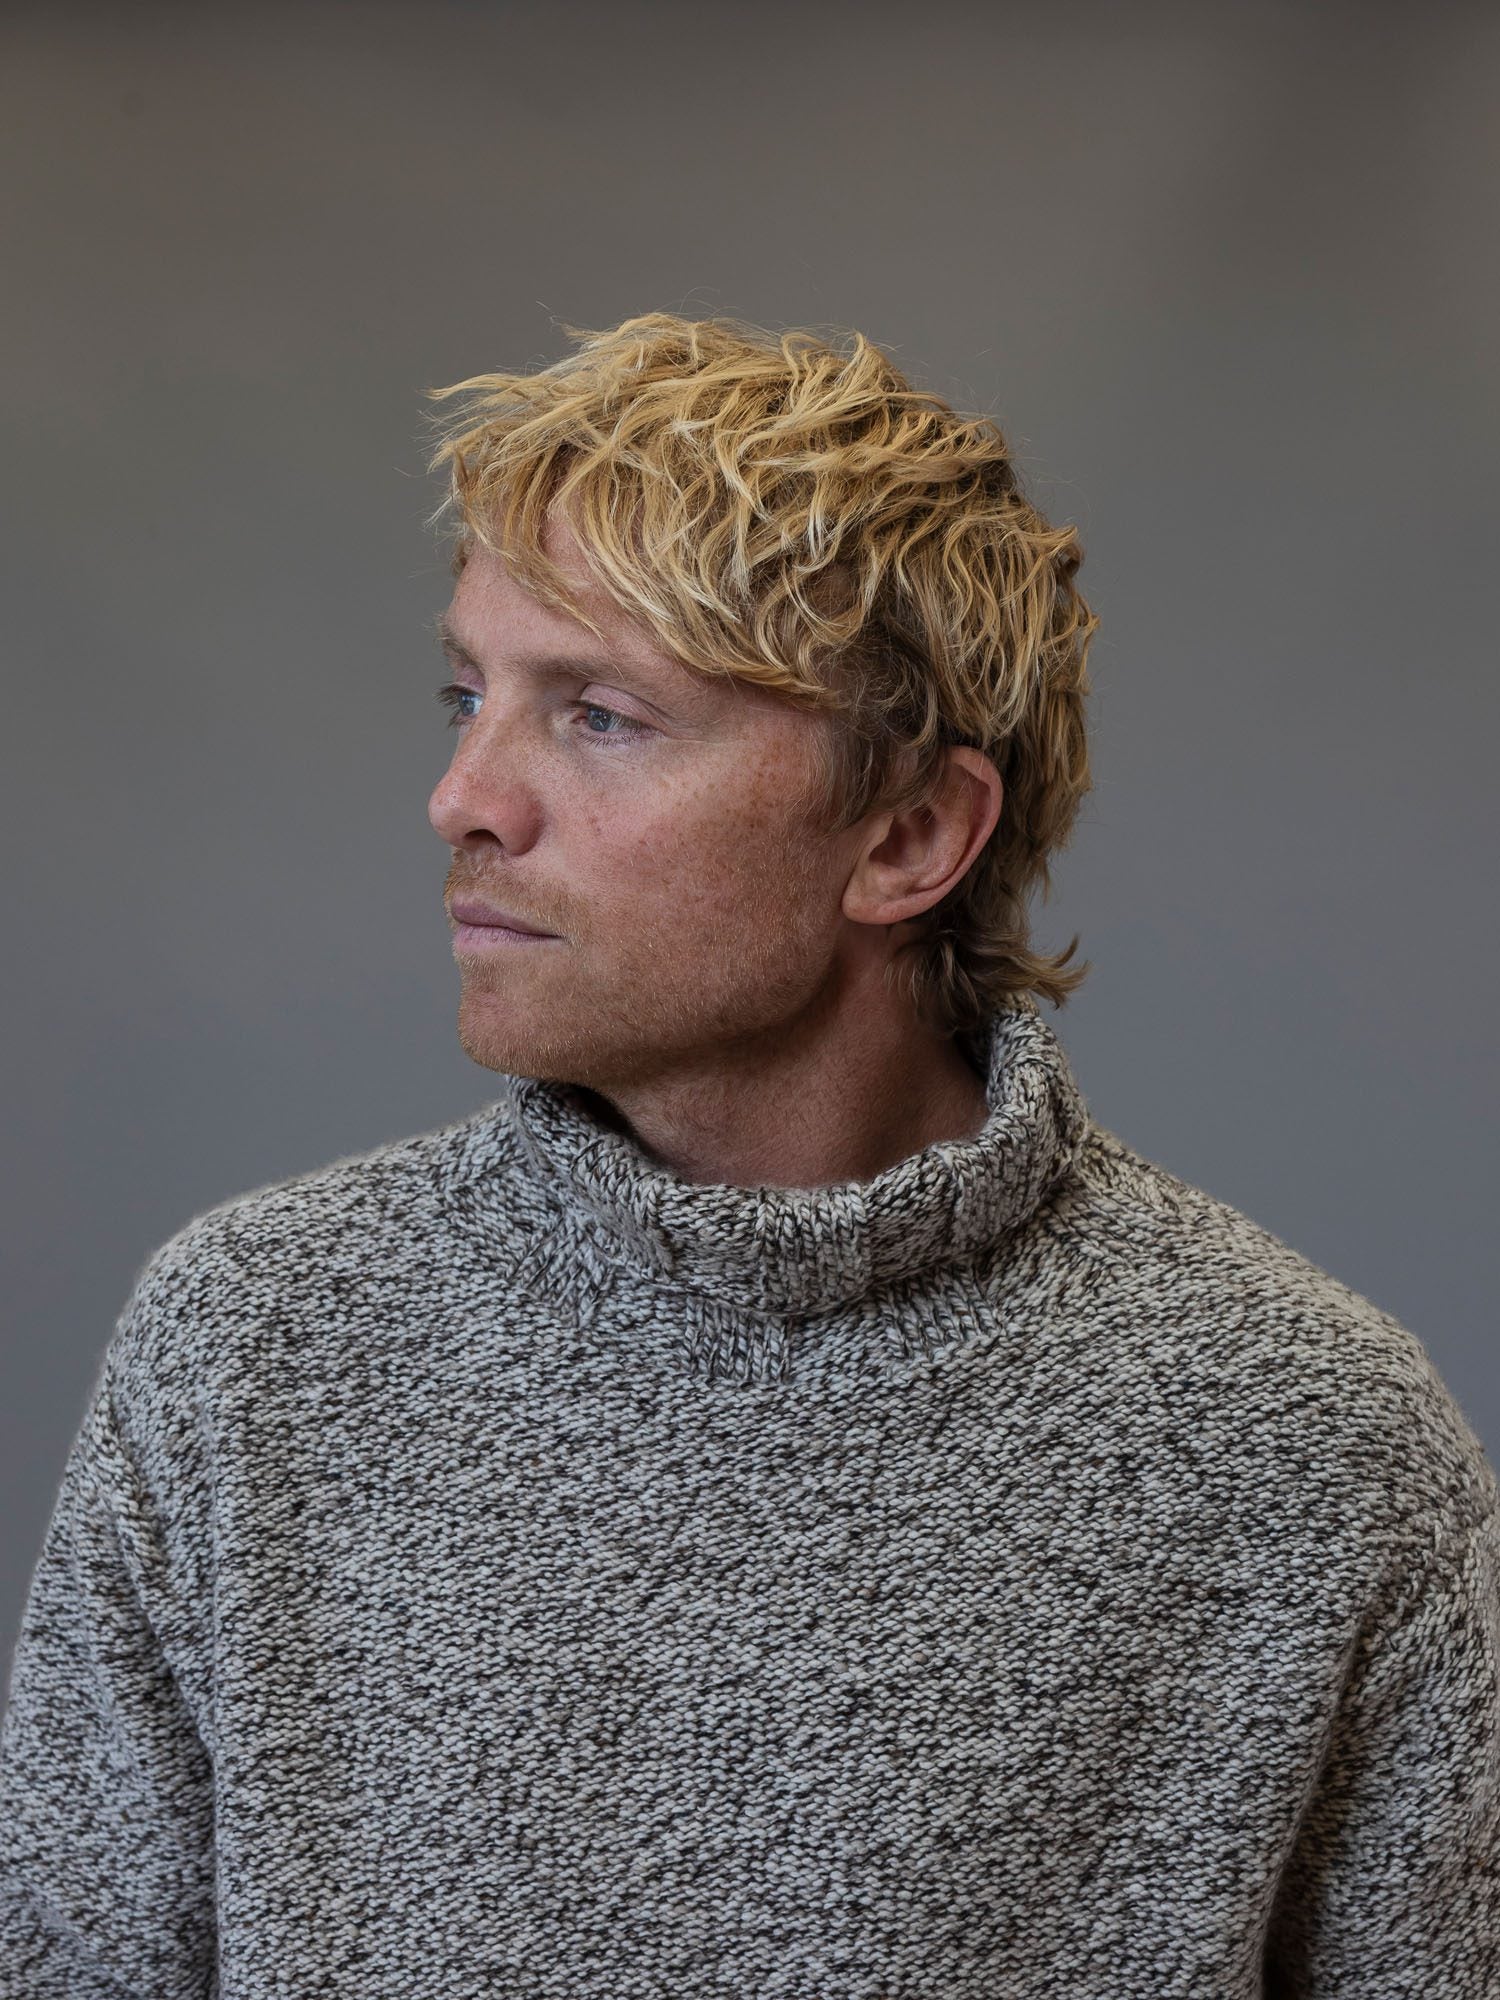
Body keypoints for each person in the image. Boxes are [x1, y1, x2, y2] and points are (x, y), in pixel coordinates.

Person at [1, 310, 1494, 1998]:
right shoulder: (251, 1347)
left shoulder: (1310, 1444)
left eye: (600, 717)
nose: (464, 797)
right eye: (468, 694)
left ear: (911, 835)